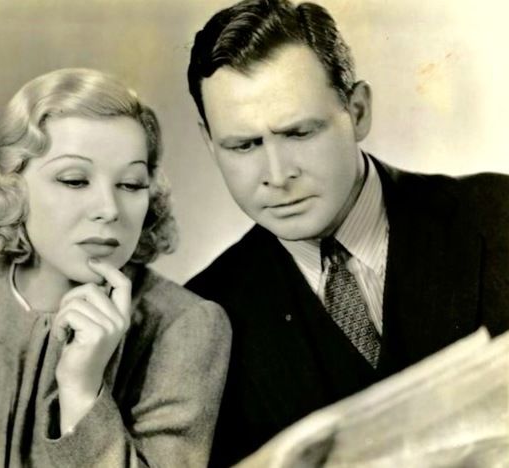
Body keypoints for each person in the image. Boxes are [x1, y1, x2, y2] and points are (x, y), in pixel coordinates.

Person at [184, 1, 509, 466]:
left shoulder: (498, 213)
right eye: (244, 145)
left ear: (357, 111)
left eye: (298, 133)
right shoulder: (200, 317)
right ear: (208, 142)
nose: (276, 175)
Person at [0, 68, 231, 467]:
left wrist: (82, 393)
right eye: (74, 180)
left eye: (131, 184)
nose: (109, 210)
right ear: (12, 188)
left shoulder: (185, 327)